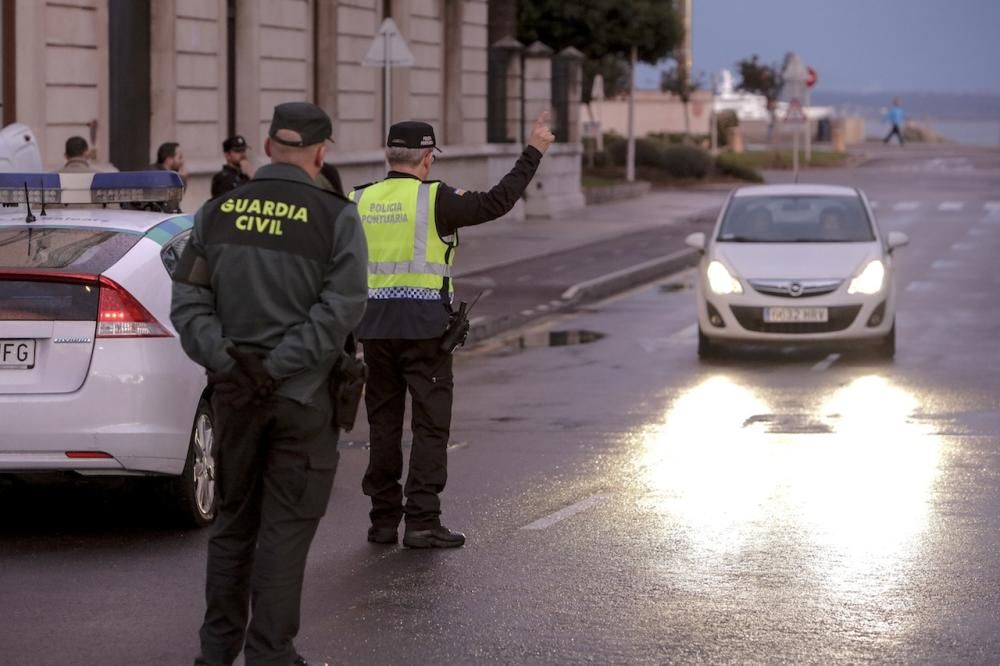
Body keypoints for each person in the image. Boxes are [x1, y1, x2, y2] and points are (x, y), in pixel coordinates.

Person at [170, 101, 368, 666]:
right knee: (285, 530)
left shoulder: (217, 212)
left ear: (267, 145)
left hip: (235, 396)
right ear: (321, 152)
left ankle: (215, 654)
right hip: (303, 400)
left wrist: (232, 364)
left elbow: (188, 302)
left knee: (233, 524)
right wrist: (279, 367)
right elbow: (341, 310)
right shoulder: (335, 217)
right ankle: (270, 654)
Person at [351, 112, 555, 549]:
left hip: (374, 329)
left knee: (383, 425)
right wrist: (534, 150)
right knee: (429, 426)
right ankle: (422, 522)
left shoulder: (358, 200)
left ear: (390, 155)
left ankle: (383, 522)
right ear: (426, 157)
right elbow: (498, 201)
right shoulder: (436, 199)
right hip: (425, 331)